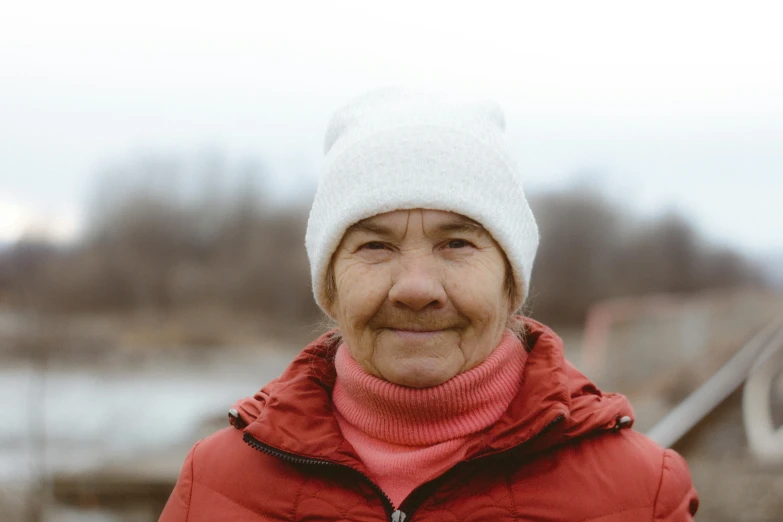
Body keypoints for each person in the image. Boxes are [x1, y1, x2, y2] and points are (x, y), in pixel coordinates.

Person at [160, 89, 699, 521]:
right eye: (375, 245)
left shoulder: (642, 495)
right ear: (329, 286)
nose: (416, 288)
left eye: (457, 244)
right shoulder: (216, 483)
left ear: (512, 282)